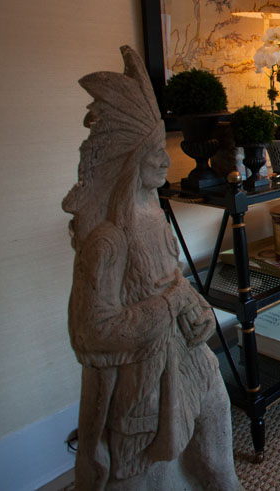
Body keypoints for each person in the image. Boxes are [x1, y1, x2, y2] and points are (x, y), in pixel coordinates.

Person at [63, 46, 239, 490]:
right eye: (153, 151)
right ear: (128, 163)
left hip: (189, 357)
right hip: (144, 376)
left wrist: (191, 305)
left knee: (218, 452)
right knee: (156, 475)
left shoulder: (153, 215)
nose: (165, 158)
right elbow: (91, 331)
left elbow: (172, 279)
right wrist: (170, 303)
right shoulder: (107, 241)